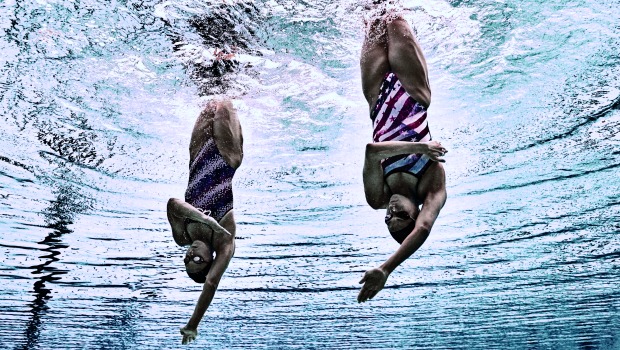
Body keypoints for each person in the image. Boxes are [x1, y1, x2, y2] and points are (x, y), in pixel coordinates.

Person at [357, 10, 448, 303]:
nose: (392, 210)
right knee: (393, 18)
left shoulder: (377, 196)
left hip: (377, 98)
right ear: (416, 211)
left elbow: (372, 152)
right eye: (402, 215)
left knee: (372, 17)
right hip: (413, 93)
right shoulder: (431, 184)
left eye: (389, 218)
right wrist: (387, 269)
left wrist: (422, 148)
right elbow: (423, 229)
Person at [167, 99, 243, 343]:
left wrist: (203, 219)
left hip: (197, 154)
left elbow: (173, 204)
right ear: (211, 259)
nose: (191, 255)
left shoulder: (183, 236)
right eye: (198, 260)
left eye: (187, 260)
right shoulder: (224, 239)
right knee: (224, 99)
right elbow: (211, 282)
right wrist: (192, 324)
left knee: (208, 100)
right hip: (226, 156)